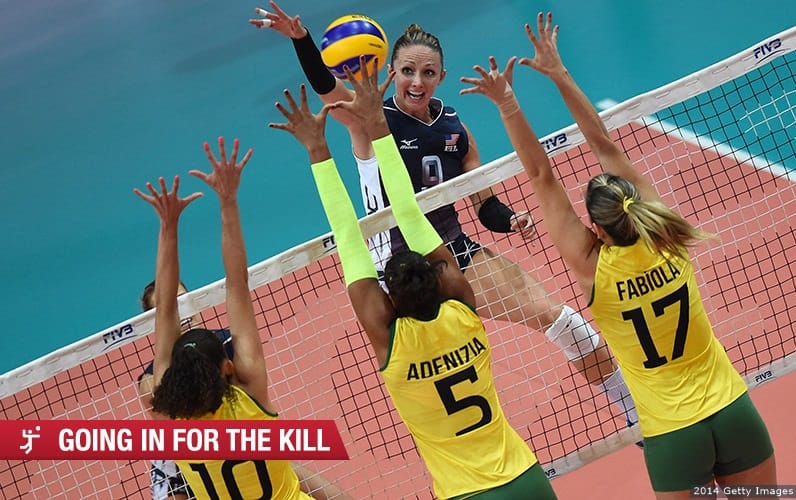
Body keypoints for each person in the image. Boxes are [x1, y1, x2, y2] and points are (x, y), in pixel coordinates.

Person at [249, 0, 640, 430]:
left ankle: (633, 412)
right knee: (430, 384)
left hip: (452, 252)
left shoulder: (455, 129)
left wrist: (509, 219)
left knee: (558, 318)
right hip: (395, 272)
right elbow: (327, 87)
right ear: (390, 72)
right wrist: (302, 40)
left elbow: (484, 204)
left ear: (441, 77)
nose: (417, 81)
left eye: (428, 72)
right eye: (407, 71)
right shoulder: (367, 118)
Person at [460, 11, 777, 498]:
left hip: (673, 437)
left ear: (595, 229)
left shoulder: (593, 268)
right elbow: (603, 142)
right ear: (636, 205)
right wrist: (560, 72)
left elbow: (541, 176)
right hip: (735, 414)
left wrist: (508, 104)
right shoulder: (666, 234)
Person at [270, 58, 558, 499]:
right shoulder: (465, 313)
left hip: (465, 493)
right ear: (443, 276)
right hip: (526, 477)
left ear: (389, 300)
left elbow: (349, 235)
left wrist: (316, 148)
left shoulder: (395, 349)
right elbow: (410, 211)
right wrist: (373, 127)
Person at [134, 139, 349, 500]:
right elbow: (236, 284)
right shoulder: (250, 395)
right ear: (228, 367)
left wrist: (167, 227)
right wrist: (227, 200)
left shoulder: (171, 418)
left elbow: (165, 311)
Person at [137, 281, 233, 500]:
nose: (180, 312)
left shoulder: (229, 343)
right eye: (168, 309)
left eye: (182, 300)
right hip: (183, 456)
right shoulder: (151, 385)